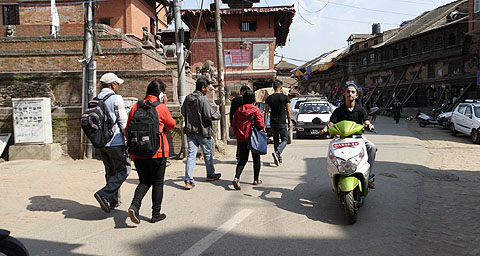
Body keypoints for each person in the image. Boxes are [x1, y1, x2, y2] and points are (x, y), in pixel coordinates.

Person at [126, 80, 176, 224]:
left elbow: (127, 130)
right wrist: (164, 105)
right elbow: (171, 124)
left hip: (137, 152)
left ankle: (134, 206)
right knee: (158, 182)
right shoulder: (161, 107)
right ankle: (156, 214)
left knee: (144, 181)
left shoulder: (136, 106)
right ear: (161, 94)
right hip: (157, 151)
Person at [321, 84, 377, 189]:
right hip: (340, 138)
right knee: (332, 154)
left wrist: (369, 125)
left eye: (352, 92)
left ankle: (368, 176)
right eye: (348, 92)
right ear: (344, 95)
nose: (350, 94)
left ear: (356, 95)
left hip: (357, 138)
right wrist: (326, 128)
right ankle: (335, 176)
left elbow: (366, 121)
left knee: (372, 147)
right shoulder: (338, 110)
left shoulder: (360, 110)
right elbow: (332, 123)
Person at [93, 73, 130, 213]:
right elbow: (123, 121)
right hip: (115, 141)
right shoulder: (116, 98)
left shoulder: (96, 99)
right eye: (117, 84)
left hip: (101, 142)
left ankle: (112, 200)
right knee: (124, 169)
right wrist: (127, 139)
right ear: (113, 85)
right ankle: (104, 194)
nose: (118, 87)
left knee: (110, 171)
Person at [181, 78, 222, 190]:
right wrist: (218, 115)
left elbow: (182, 112)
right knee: (207, 154)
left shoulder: (188, 98)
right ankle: (210, 175)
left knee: (191, 155)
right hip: (203, 132)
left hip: (190, 132)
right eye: (207, 87)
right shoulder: (203, 99)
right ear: (203, 87)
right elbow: (210, 115)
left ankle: (188, 180)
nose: (208, 90)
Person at [231, 91, 265, 190]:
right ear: (253, 99)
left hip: (241, 138)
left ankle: (236, 178)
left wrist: (237, 133)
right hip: (253, 138)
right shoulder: (256, 110)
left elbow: (234, 124)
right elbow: (261, 124)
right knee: (256, 159)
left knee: (242, 160)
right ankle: (256, 179)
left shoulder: (239, 110)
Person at [265, 80, 291, 166]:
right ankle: (278, 152)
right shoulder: (285, 97)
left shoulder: (269, 98)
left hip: (273, 122)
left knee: (276, 139)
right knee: (285, 139)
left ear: (273, 87)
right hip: (282, 121)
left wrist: (264, 124)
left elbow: (266, 111)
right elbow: (288, 111)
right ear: (281, 87)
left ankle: (278, 158)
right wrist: (290, 121)